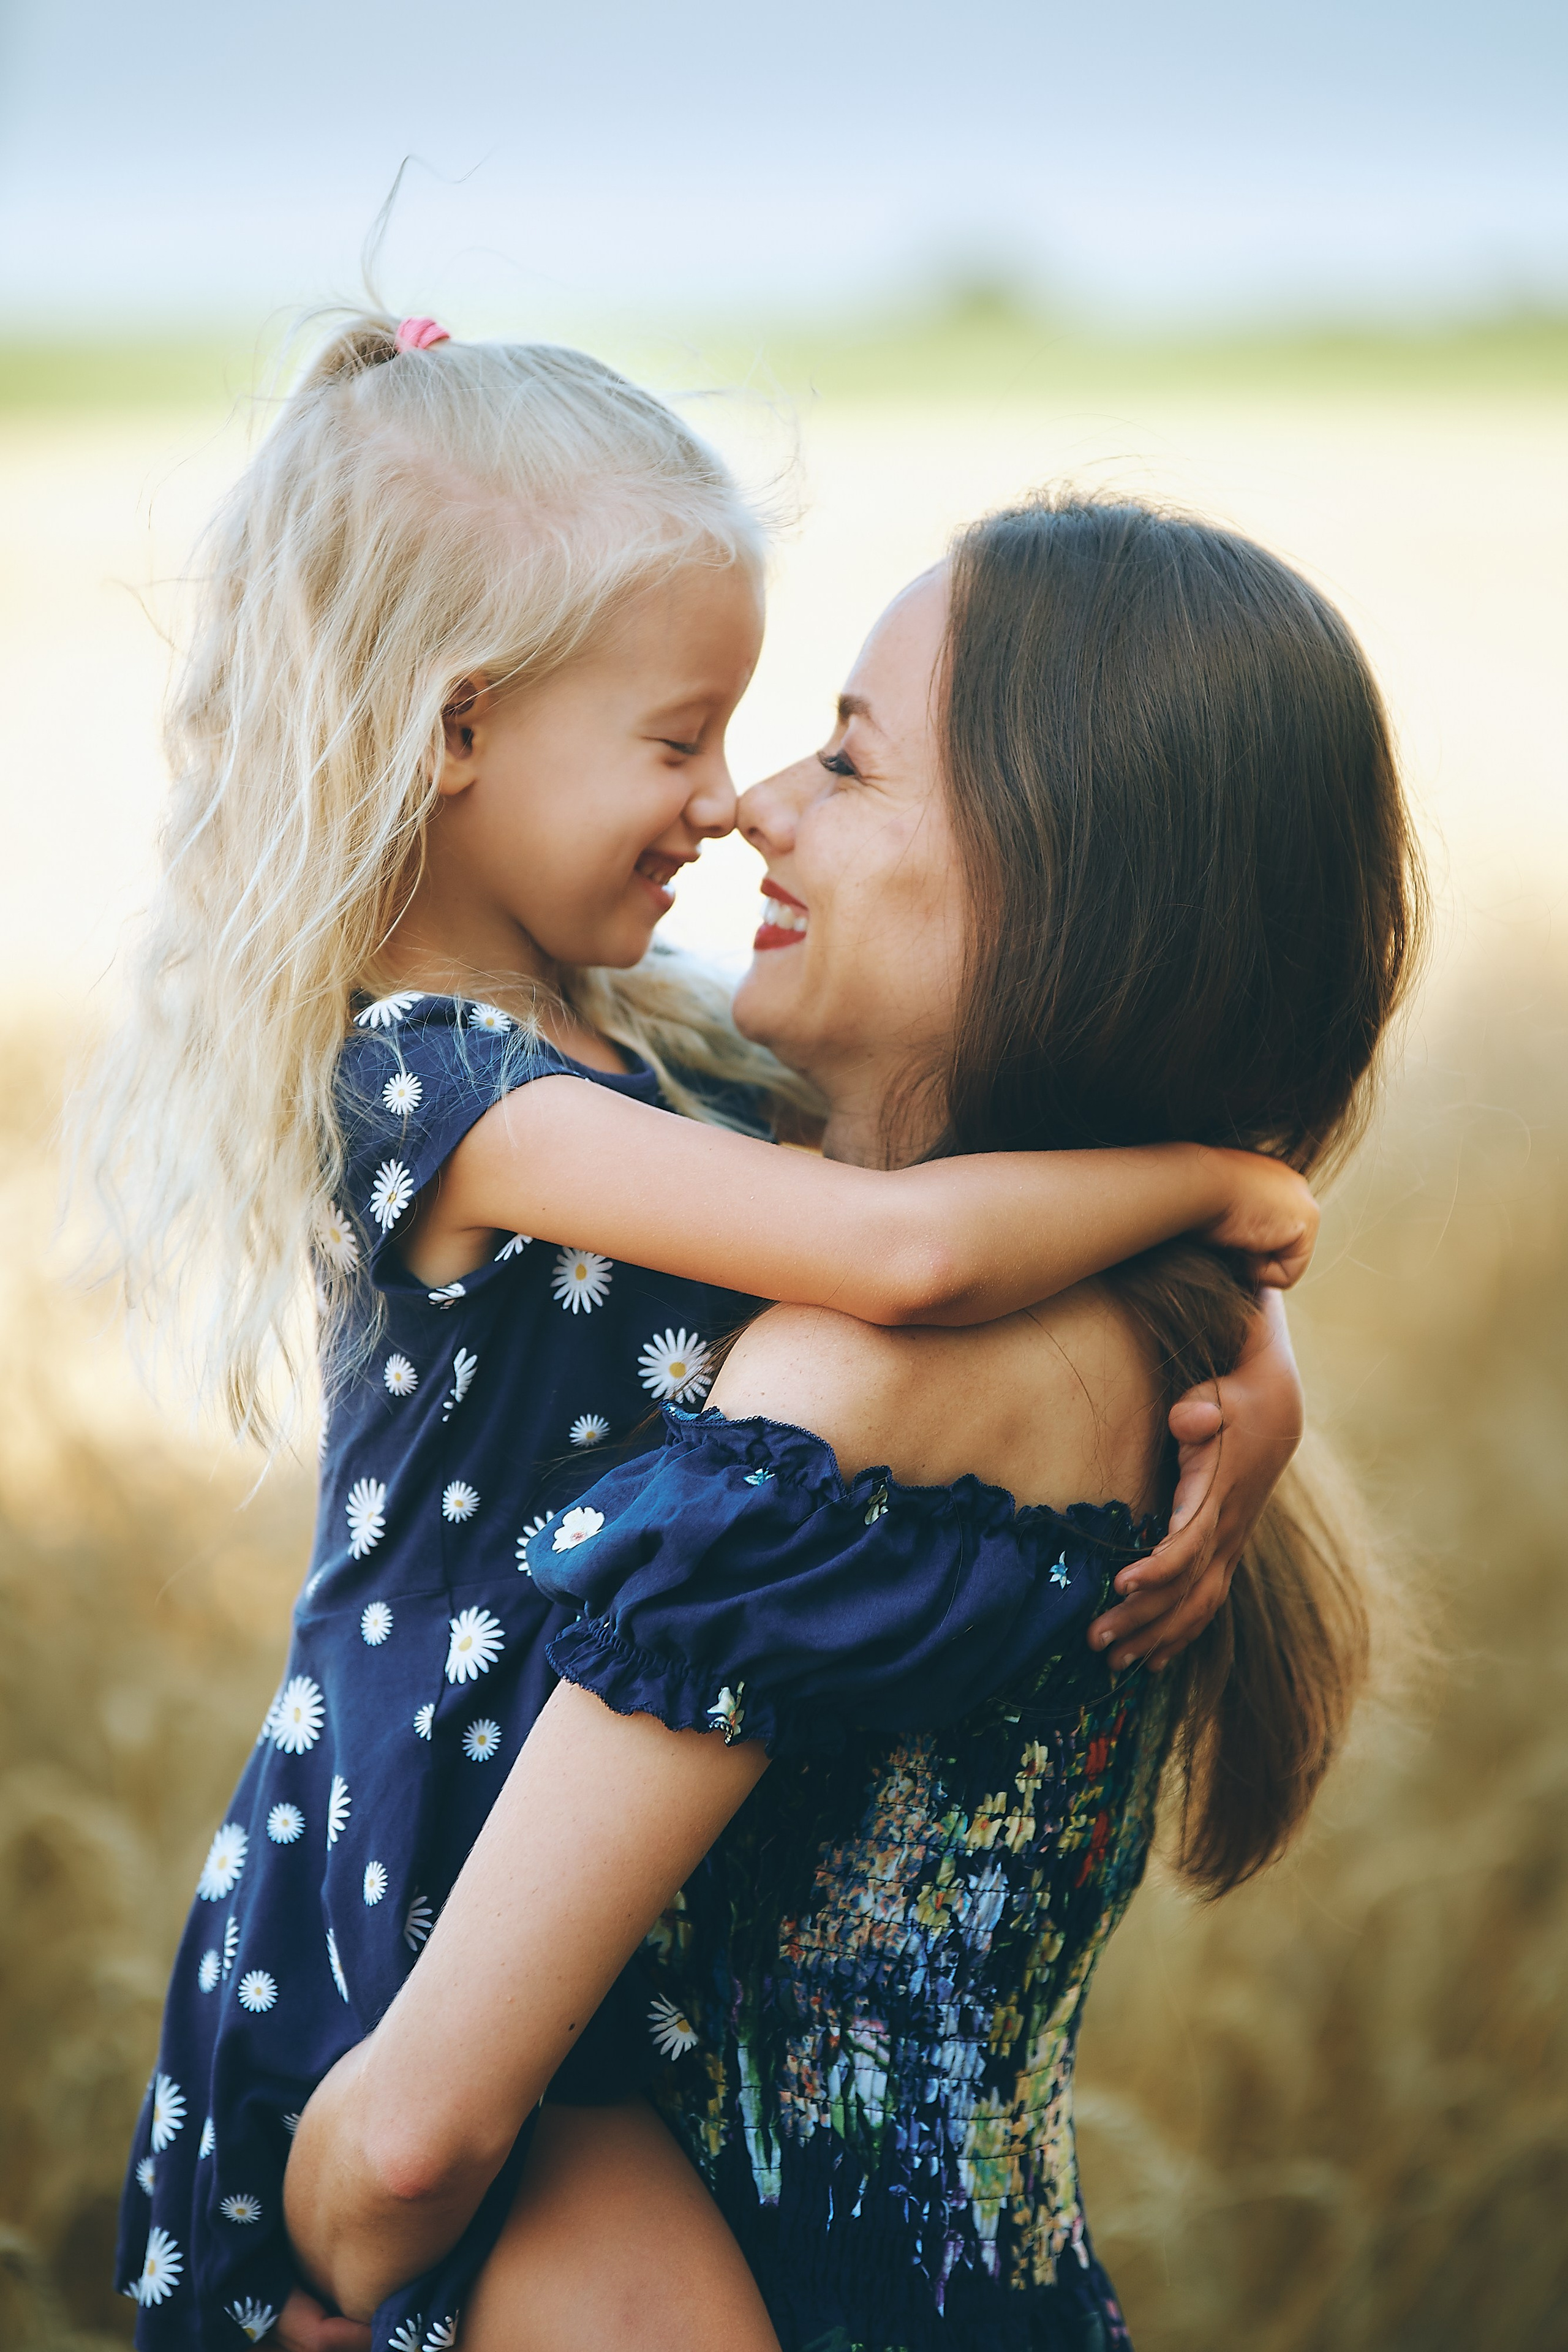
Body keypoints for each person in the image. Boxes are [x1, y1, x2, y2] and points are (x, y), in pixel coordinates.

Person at [79, 317, 1312, 2346]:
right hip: (424, 1885)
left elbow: (974, 1233)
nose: (728, 801)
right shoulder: (440, 1088)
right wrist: (1222, 1196)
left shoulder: (637, 1050)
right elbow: (910, 1257)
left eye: (783, 738)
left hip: (562, 1890)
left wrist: (1253, 1354)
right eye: (680, 739)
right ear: (455, 730)